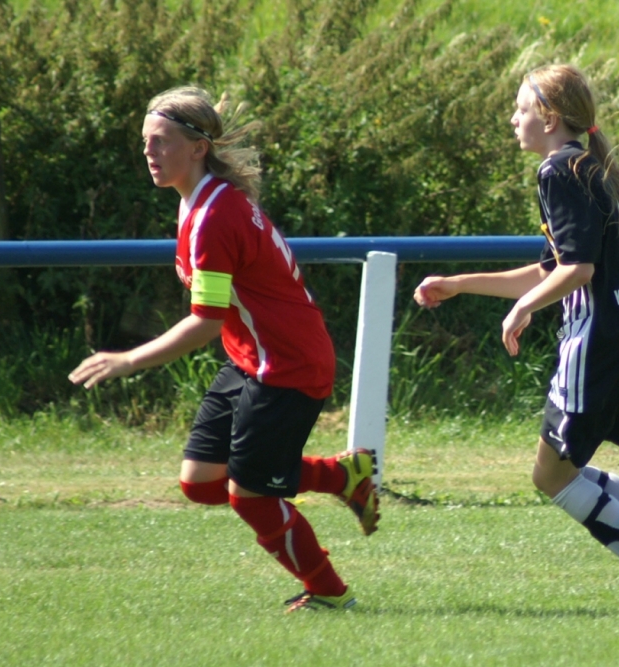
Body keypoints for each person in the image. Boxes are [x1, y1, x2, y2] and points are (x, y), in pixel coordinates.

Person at [413, 64, 619, 615]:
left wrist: (521, 310)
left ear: (550, 118)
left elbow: (579, 270)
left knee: (552, 475)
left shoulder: (555, 171)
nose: (513, 119)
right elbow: (554, 269)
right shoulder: (585, 167)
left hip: (598, 342)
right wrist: (459, 284)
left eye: (520, 109)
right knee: (565, 470)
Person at [69, 86, 380, 613]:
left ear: (197, 148)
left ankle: (330, 592)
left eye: (161, 142)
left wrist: (128, 360)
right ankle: (339, 475)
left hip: (287, 366)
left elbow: (204, 323)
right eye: (145, 141)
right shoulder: (201, 199)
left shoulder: (214, 215)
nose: (149, 152)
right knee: (201, 481)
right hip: (253, 361)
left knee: (250, 494)